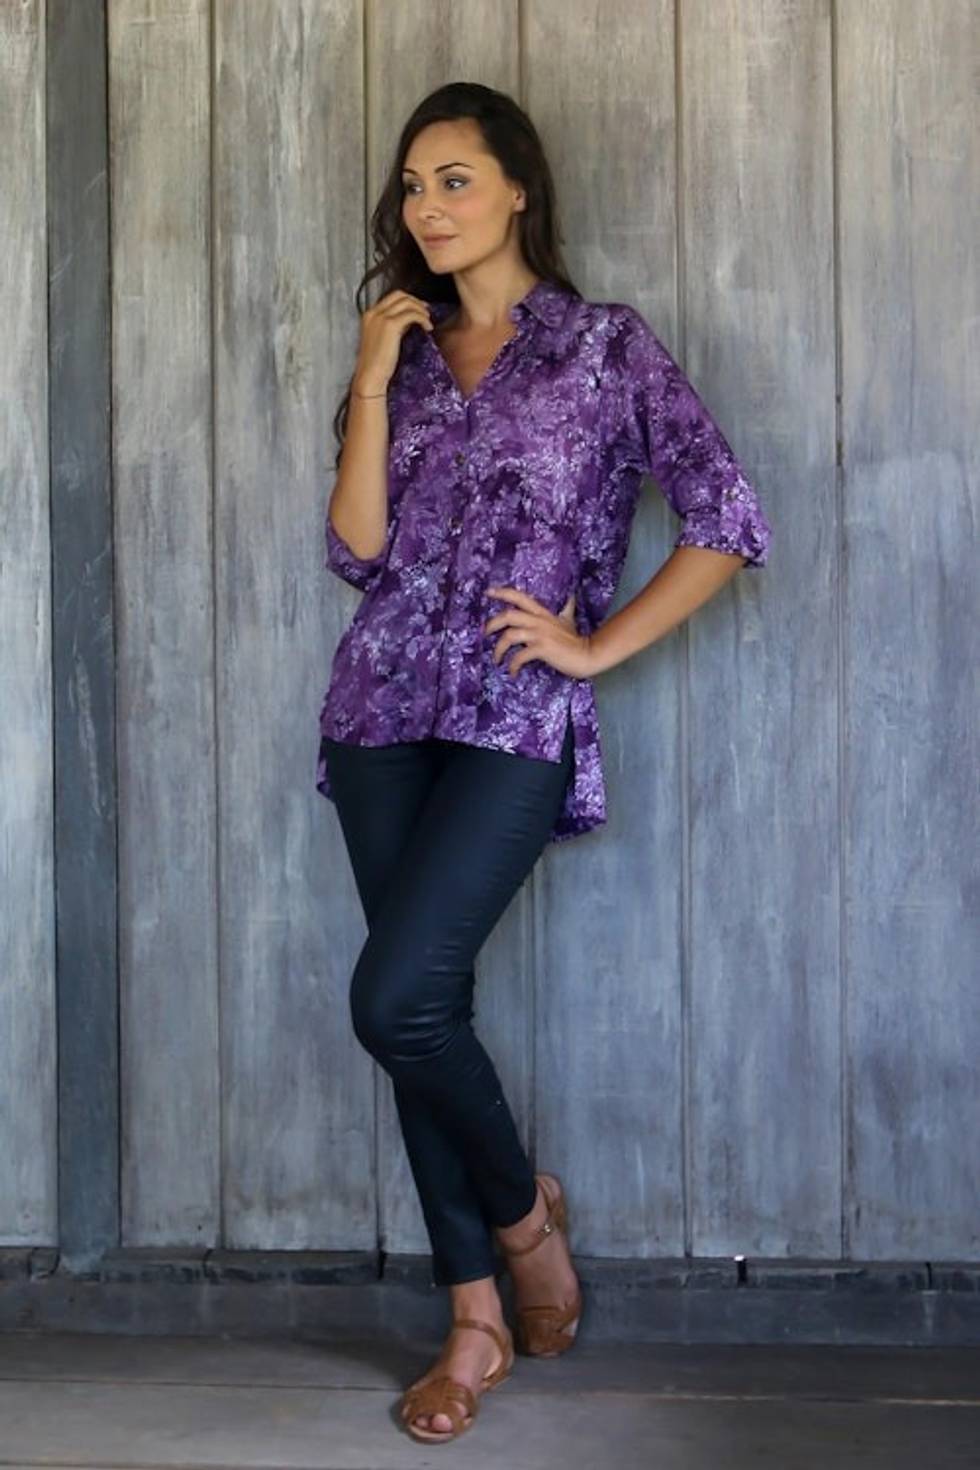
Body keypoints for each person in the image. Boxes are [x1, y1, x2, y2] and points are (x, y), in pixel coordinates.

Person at [316, 82, 772, 1444]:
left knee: (396, 997)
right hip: (380, 710)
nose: (427, 208)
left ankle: (522, 1224)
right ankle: (475, 1313)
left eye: (454, 179)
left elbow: (727, 517)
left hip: (513, 712)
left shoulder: (604, 347)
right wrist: (369, 375)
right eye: (412, 187)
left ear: (519, 186)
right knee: (421, 1015)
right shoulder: (405, 353)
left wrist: (592, 646)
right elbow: (354, 549)